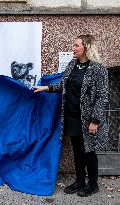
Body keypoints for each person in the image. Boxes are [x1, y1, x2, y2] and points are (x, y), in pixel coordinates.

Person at [33, 34, 109, 197]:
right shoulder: (72, 65)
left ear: (86, 48)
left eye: (76, 45)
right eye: (73, 45)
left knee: (89, 151)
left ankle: (93, 184)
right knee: (77, 150)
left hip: (87, 119)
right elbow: (63, 85)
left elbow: (102, 96)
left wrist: (95, 121)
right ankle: (80, 181)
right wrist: (46, 88)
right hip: (72, 117)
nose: (73, 48)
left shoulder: (98, 69)